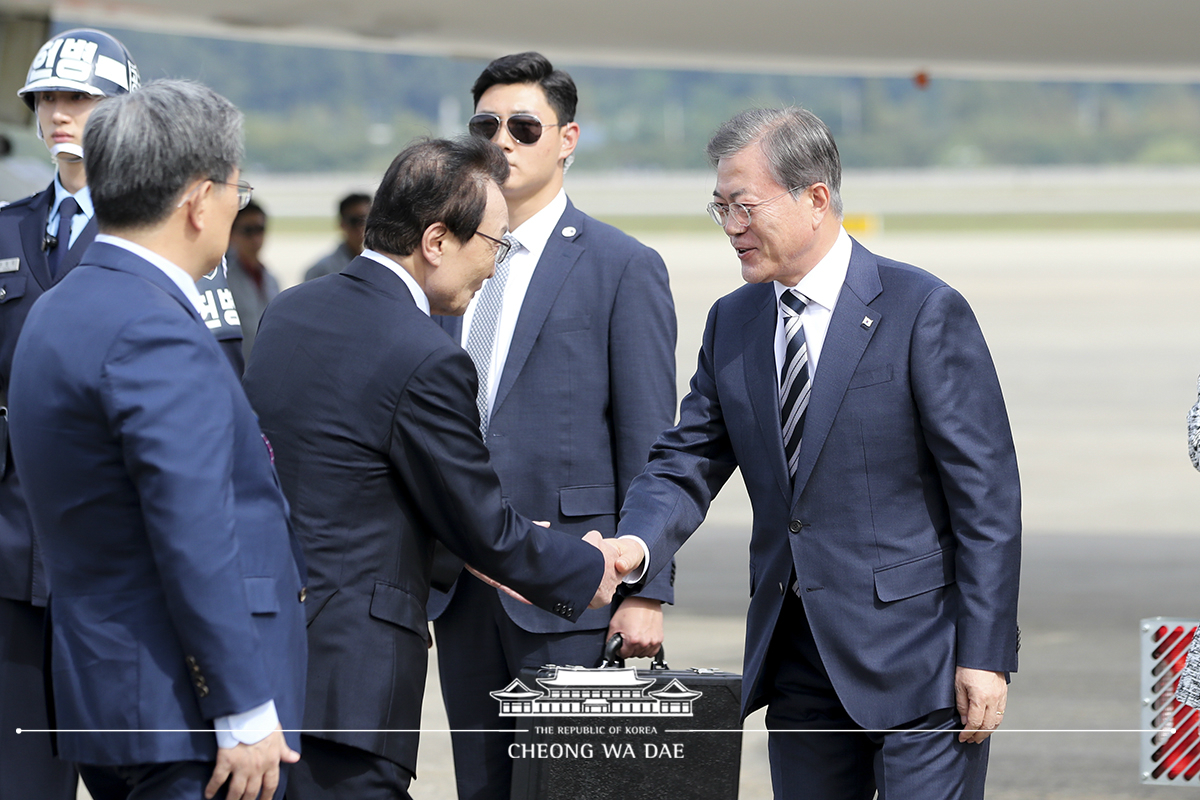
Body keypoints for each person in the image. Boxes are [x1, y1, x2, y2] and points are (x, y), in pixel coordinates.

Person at [613, 107, 1022, 799]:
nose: (731, 226)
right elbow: (687, 460)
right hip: (799, 663)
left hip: (920, 662)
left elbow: (986, 497)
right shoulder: (734, 320)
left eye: (744, 206)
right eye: (720, 208)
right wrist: (636, 547)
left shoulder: (922, 309)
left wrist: (986, 654)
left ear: (816, 199)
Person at [241, 136, 634, 800]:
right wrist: (588, 569)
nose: (496, 265)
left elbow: (351, 483)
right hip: (354, 689)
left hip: (272, 660)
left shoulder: (292, 313)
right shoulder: (424, 355)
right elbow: (481, 524)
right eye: (495, 244)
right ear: (435, 240)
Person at [7, 79, 308, 800]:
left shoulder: (57, 309)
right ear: (200, 200)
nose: (239, 204)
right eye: (238, 187)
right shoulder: (155, 328)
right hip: (186, 712)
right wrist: (241, 704)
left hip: (112, 694)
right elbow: (192, 529)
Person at [426, 52, 677, 800]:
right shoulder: (440, 260)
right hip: (461, 590)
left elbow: (648, 442)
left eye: (524, 126)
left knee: (569, 789)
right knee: (482, 788)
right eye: (485, 125)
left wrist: (646, 589)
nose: (502, 140)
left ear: (567, 140)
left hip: (578, 585)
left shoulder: (621, 266)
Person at [0, 29, 138, 799]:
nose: (59, 112)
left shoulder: (163, 231)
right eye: (48, 97)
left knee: (131, 774)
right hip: (11, 542)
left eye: (79, 97)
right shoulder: (6, 227)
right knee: (19, 777)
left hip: (112, 543)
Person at [225, 200, 279, 360]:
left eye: (260, 230)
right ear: (231, 234)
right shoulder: (223, 279)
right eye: (248, 231)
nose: (256, 238)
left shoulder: (270, 279)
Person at [303, 192, 371, 281]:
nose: (361, 227)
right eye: (355, 221)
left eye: (367, 220)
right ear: (342, 224)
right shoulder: (321, 271)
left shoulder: (382, 265)